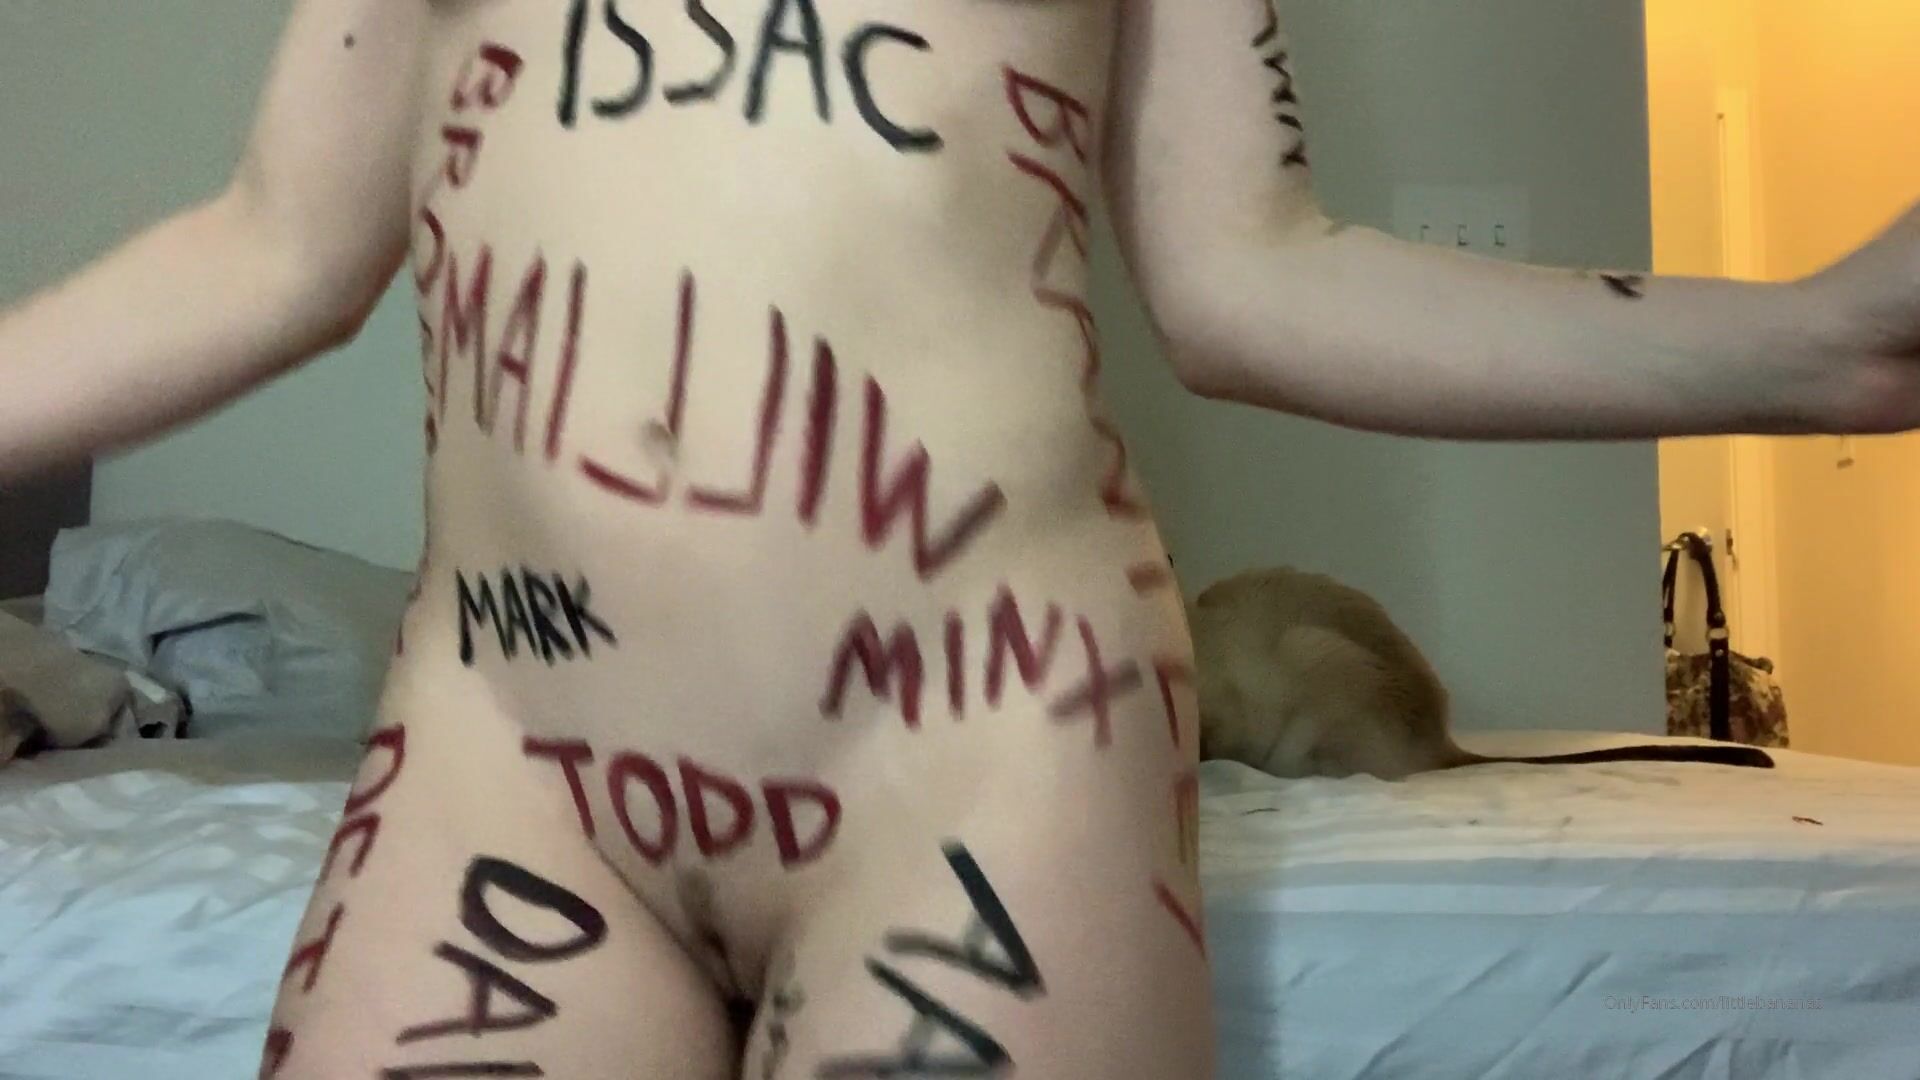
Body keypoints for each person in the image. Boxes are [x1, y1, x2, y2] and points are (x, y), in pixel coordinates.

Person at [3, 1, 1916, 1076]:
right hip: (512, 763)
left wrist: (1812, 346)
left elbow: (1255, 276)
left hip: (988, 759)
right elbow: (277, 240)